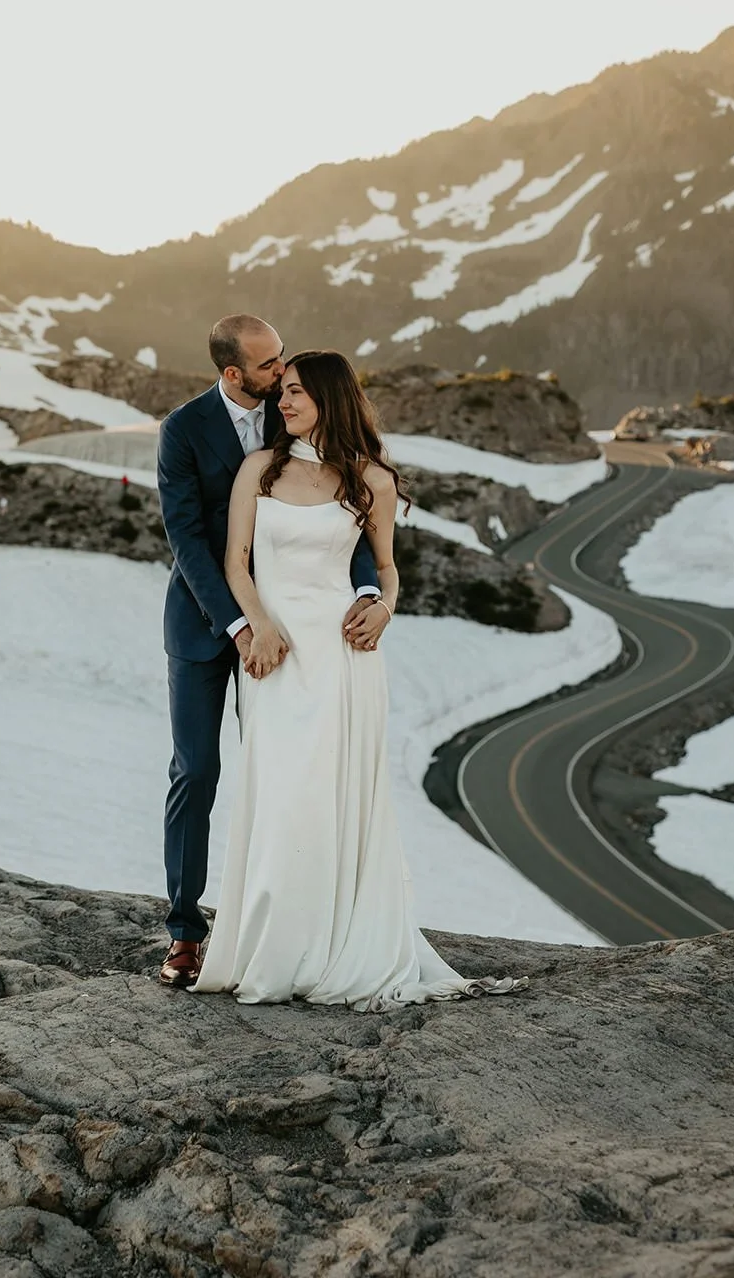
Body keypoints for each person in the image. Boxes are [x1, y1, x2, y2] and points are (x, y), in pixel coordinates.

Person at [192, 349, 528, 1009]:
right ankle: (270, 948)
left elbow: (385, 566)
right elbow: (235, 562)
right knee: (279, 794)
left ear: (329, 398)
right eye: (280, 391)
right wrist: (257, 625)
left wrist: (383, 605)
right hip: (274, 655)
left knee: (332, 796)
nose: (281, 403)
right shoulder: (259, 469)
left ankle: (333, 947)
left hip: (344, 658)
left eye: (294, 393)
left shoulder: (369, 479)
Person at [156, 317, 389, 988]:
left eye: (284, 363)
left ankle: (283, 928)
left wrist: (371, 590)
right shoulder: (183, 430)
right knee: (196, 773)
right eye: (268, 367)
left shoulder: (296, 412)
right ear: (233, 374)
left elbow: (347, 513)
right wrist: (240, 626)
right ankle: (184, 934)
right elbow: (189, 540)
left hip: (299, 629)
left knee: (288, 776)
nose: (282, 374)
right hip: (210, 625)